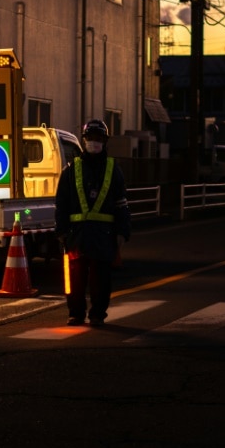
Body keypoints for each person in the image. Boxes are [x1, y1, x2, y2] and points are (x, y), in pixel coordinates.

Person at [55, 118, 131, 326]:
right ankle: (76, 314)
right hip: (76, 235)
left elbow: (121, 204)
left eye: (98, 139)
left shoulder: (113, 169)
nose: (94, 143)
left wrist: (122, 232)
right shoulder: (71, 170)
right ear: (84, 140)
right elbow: (61, 203)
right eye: (90, 138)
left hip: (104, 236)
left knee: (101, 281)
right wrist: (62, 232)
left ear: (105, 142)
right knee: (75, 280)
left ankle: (97, 315)